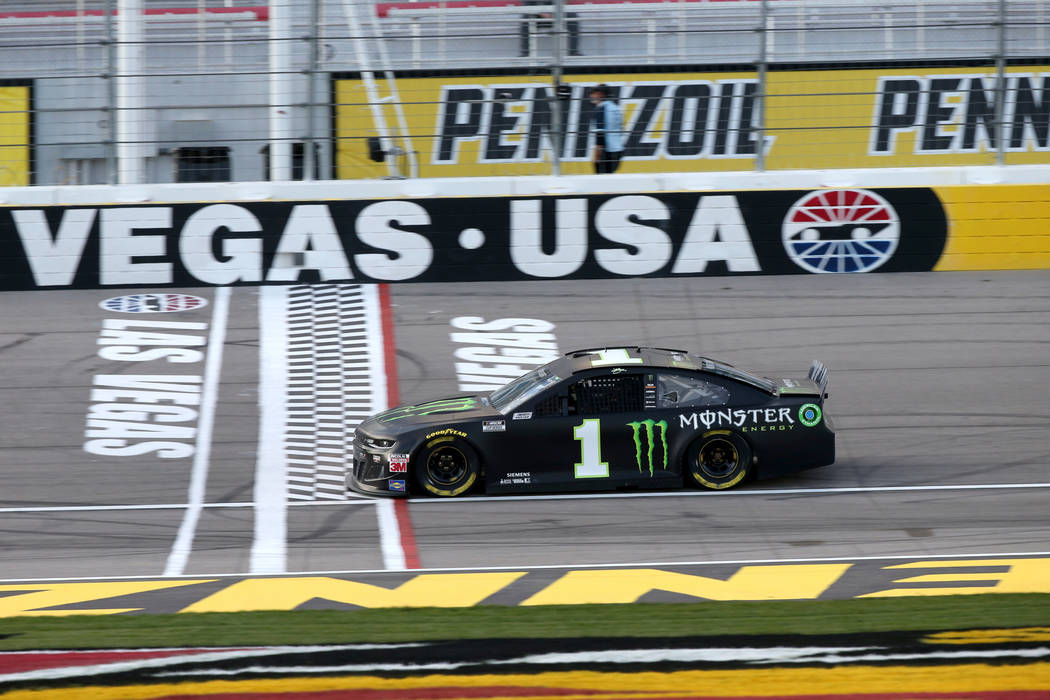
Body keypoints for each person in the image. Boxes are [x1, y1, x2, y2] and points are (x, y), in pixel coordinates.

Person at [589, 84, 624, 174]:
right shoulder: (616, 108)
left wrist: (596, 160)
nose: (591, 96)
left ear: (601, 95)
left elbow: (600, 137)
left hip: (607, 152)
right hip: (618, 150)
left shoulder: (601, 109)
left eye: (593, 93)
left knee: (601, 183)